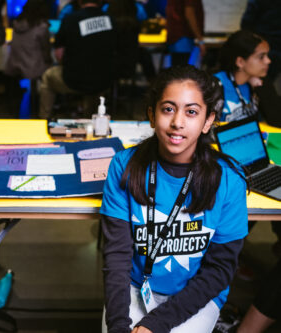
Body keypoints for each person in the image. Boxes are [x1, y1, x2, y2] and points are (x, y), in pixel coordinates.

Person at [101, 65, 248, 333]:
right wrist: (119, 326)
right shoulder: (124, 166)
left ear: (207, 121)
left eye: (191, 112)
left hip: (197, 296)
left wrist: (155, 325)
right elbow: (116, 258)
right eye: (168, 109)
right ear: (151, 115)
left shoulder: (229, 180)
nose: (177, 122)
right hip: (135, 288)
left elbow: (219, 271)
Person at [38, 0, 116, 118]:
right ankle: (90, 117)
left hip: (74, 80)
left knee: (47, 77)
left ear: (79, 1)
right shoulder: (111, 20)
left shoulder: (70, 19)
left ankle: (44, 119)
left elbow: (59, 54)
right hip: (104, 80)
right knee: (93, 84)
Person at [214, 30, 273, 123]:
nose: (268, 61)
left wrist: (261, 89)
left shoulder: (258, 81)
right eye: (261, 57)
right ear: (240, 62)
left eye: (267, 55)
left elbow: (276, 120)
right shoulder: (215, 85)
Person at [5, 0, 52, 80]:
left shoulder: (17, 23)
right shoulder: (41, 27)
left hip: (12, 66)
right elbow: (46, 52)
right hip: (33, 69)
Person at [165, 0, 205, 66]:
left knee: (177, 69)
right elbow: (189, 14)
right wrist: (200, 40)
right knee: (181, 70)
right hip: (182, 36)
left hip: (176, 35)